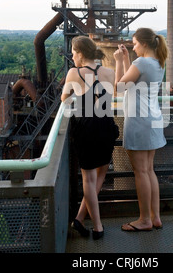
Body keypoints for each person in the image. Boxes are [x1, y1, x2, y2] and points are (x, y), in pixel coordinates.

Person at [61, 35, 119, 240]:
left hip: (85, 126)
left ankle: (97, 227)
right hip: (106, 125)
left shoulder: (74, 72)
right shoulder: (109, 72)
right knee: (101, 171)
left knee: (88, 177)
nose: (72, 56)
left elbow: (64, 99)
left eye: (73, 53)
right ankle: (79, 218)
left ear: (81, 53)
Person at [113, 28, 167, 232]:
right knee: (149, 170)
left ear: (144, 44)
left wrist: (118, 61)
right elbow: (134, 82)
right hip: (152, 119)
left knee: (140, 172)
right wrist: (127, 60)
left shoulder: (142, 63)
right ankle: (155, 217)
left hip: (139, 121)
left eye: (134, 44)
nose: (133, 47)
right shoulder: (157, 62)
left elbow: (120, 88)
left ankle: (144, 220)